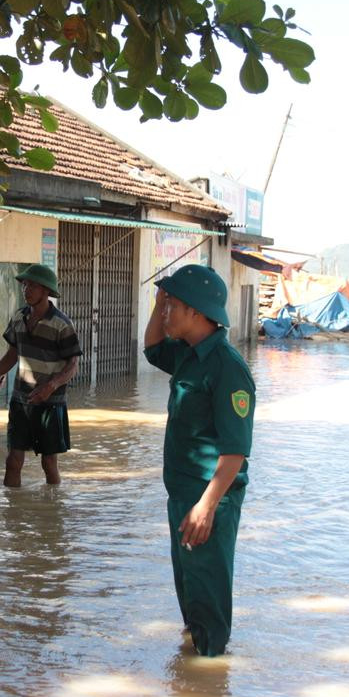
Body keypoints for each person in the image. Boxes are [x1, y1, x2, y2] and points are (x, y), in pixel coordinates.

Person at [142, 264, 254, 658]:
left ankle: (213, 681)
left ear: (195, 311)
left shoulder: (227, 368)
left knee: (207, 597)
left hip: (209, 499)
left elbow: (235, 452)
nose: (165, 313)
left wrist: (206, 508)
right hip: (184, 494)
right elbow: (153, 349)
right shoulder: (188, 355)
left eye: (172, 306)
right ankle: (194, 687)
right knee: (189, 593)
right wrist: (160, 302)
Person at [0, 264, 80, 487]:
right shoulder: (18, 318)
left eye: (32, 285)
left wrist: (51, 386)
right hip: (20, 400)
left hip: (51, 402)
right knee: (13, 461)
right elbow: (12, 354)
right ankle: (13, 517)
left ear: (46, 291)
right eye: (25, 285)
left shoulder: (62, 324)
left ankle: (52, 512)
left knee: (49, 463)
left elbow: (73, 365)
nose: (26, 289)